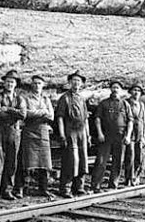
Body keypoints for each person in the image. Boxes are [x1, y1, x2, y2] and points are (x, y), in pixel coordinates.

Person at [0, 69, 27, 204]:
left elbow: (23, 114)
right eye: (8, 82)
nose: (10, 84)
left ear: (16, 84)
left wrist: (8, 109)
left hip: (14, 133)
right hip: (0, 132)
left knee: (12, 163)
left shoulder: (20, 98)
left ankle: (7, 191)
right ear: (4, 83)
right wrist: (13, 113)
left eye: (12, 82)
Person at [15, 74, 54, 199]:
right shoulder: (25, 98)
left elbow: (51, 116)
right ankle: (20, 188)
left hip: (43, 132)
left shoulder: (46, 99)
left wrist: (39, 113)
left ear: (43, 86)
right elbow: (25, 114)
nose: (37, 86)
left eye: (39, 83)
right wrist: (42, 112)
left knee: (44, 162)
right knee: (25, 162)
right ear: (31, 85)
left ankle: (43, 188)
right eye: (35, 83)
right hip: (29, 131)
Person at [91, 80, 133, 192]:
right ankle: (96, 185)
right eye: (113, 87)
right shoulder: (104, 103)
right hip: (106, 136)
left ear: (121, 90)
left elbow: (130, 121)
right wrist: (99, 133)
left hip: (120, 136)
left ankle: (113, 185)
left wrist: (128, 136)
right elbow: (98, 119)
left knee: (118, 161)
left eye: (117, 88)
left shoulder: (125, 104)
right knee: (101, 161)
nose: (115, 90)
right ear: (111, 89)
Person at [55, 70, 90, 198]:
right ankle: (65, 188)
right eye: (74, 80)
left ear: (81, 84)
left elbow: (85, 118)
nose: (76, 83)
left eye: (78, 81)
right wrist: (62, 135)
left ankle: (79, 187)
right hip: (70, 131)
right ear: (70, 82)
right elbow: (59, 118)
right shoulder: (64, 98)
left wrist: (88, 135)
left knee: (82, 159)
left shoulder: (81, 98)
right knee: (71, 160)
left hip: (81, 133)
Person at [123, 82, 145, 186]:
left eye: (138, 91)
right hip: (130, 133)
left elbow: (144, 120)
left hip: (139, 133)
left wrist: (143, 136)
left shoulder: (141, 104)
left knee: (139, 156)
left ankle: (136, 176)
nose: (136, 92)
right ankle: (128, 177)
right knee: (130, 156)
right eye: (134, 90)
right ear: (131, 92)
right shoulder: (126, 103)